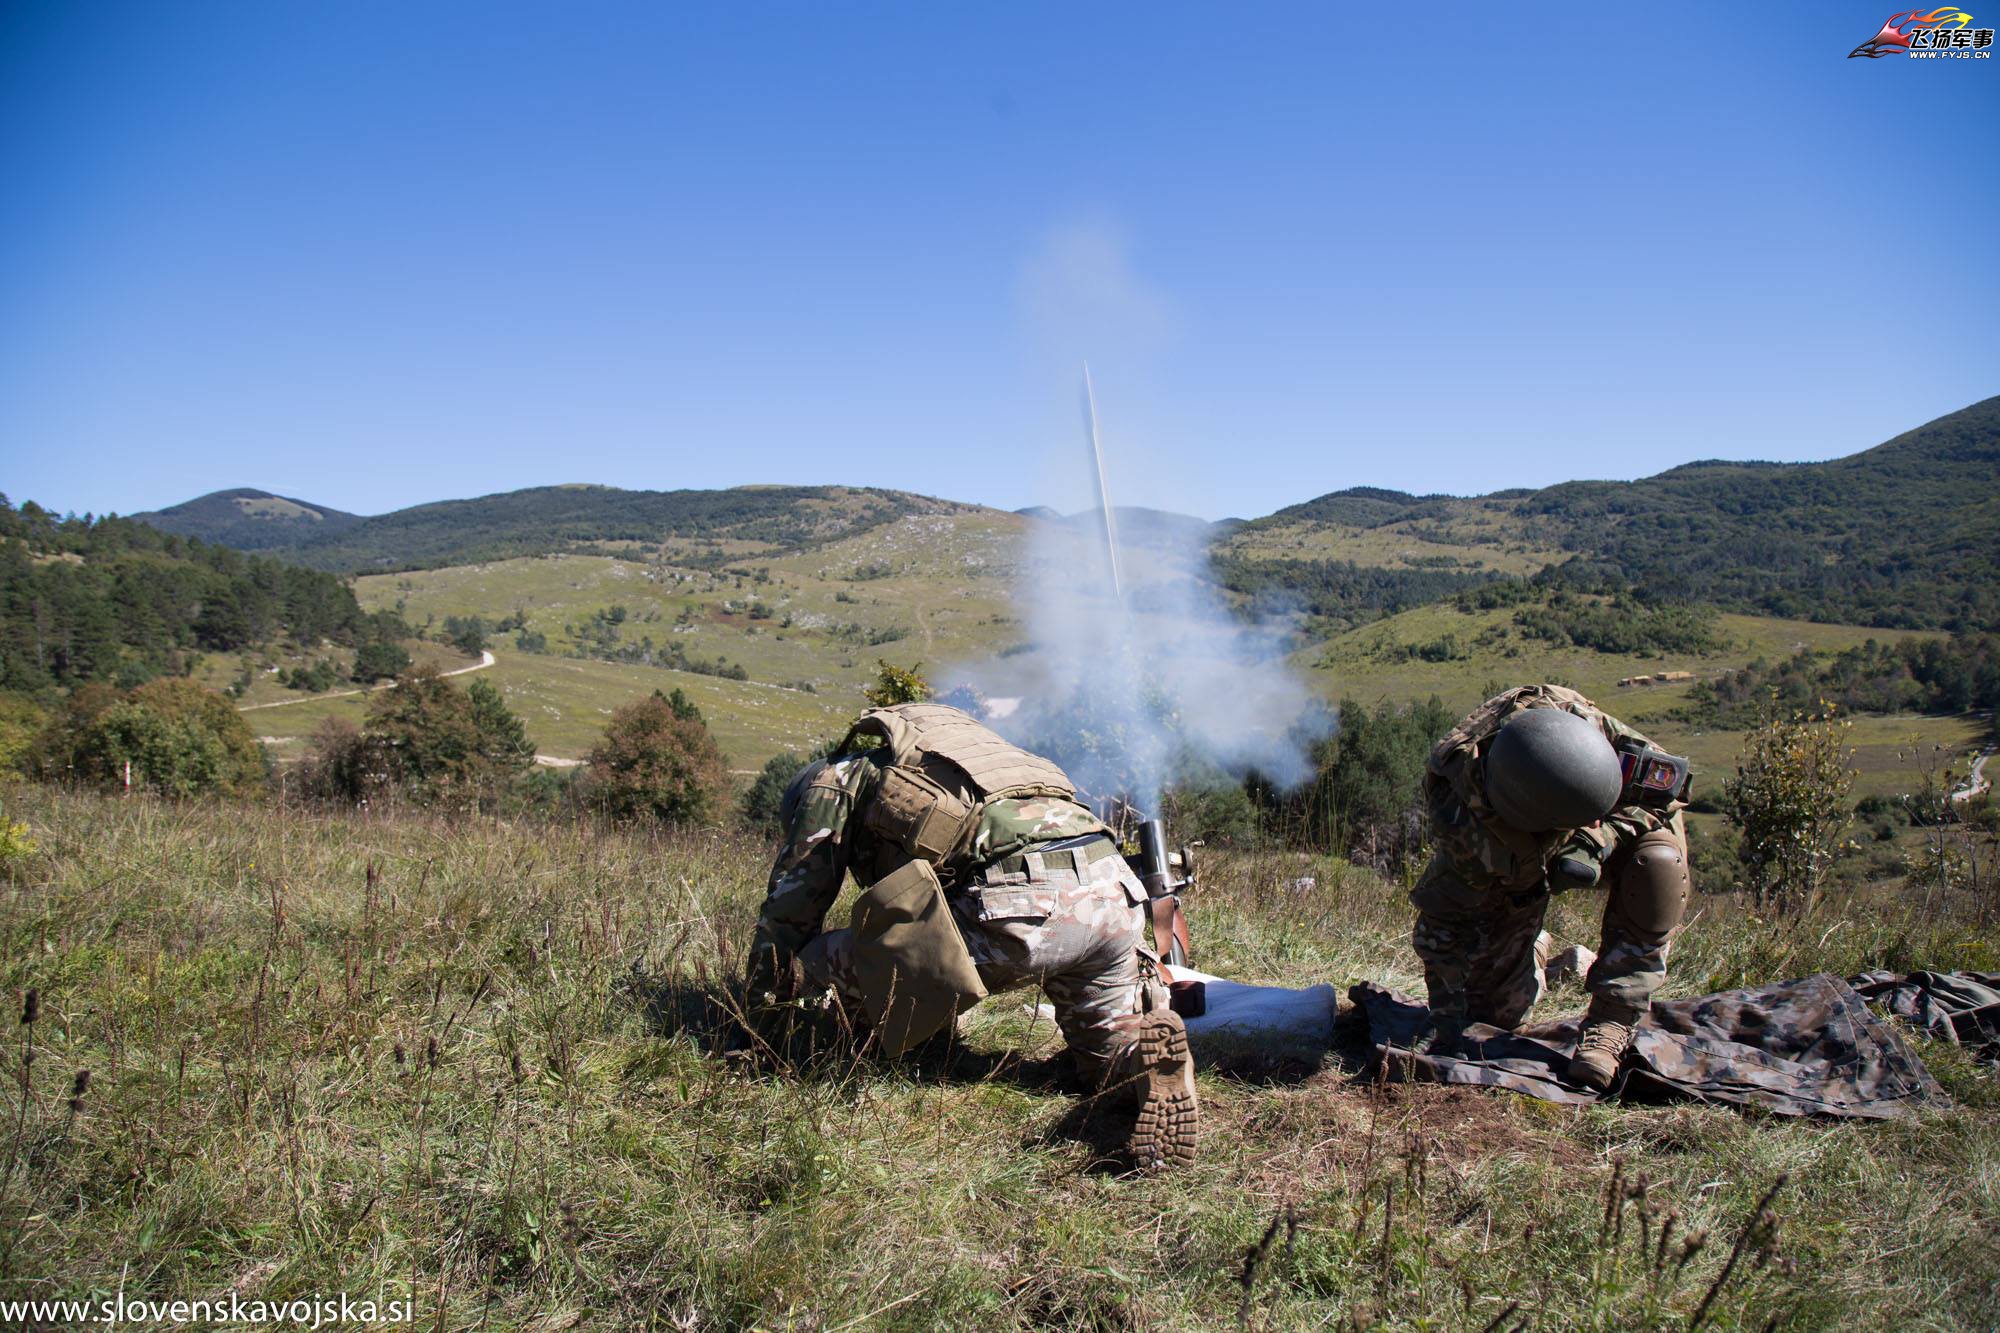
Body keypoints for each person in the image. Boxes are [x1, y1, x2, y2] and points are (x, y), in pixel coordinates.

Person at [743, 701, 1197, 1169]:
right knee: (1106, 1054)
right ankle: (1142, 1063)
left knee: (814, 963)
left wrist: (757, 1021)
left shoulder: (833, 781)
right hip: (1115, 896)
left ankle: (862, 1046)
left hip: (1024, 909)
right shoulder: (970, 763)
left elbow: (788, 917)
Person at [1409, 684, 1693, 1090]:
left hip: (1606, 829)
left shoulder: (1607, 746)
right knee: (1494, 1018)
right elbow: (1443, 923)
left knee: (1660, 866)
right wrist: (1448, 1025)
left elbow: (1665, 799)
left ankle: (1610, 1023)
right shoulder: (1461, 809)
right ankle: (1535, 954)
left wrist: (1599, 839)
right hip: (1514, 857)